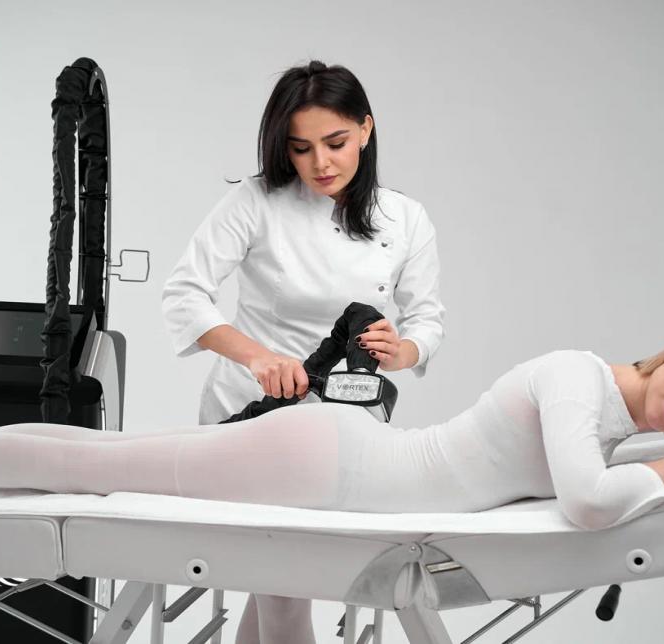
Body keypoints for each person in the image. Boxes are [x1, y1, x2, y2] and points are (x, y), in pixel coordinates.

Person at [0, 325, 664, 524]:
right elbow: (589, 501)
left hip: (337, 469)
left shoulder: (614, 418)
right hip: (324, 462)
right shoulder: (578, 383)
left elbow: (615, 472)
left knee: (104, 458)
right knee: (94, 465)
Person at [160, 60, 446, 641]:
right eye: (300, 148)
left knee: (280, 582)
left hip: (346, 426)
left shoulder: (405, 218)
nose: (320, 163)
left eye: (335, 143)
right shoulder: (255, 202)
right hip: (251, 414)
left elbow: (427, 318)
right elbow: (184, 294)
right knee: (285, 581)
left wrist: (403, 351)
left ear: (366, 129)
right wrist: (256, 358)